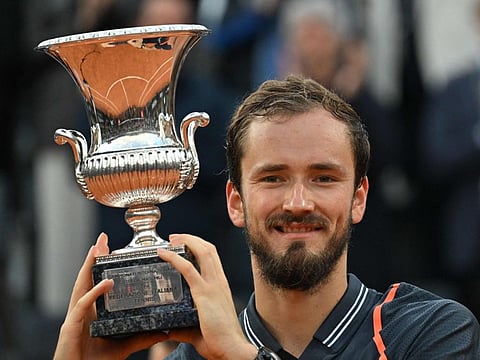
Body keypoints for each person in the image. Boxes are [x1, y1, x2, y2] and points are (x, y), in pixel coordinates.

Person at [53, 76, 480, 359]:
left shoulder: (430, 332)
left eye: (324, 178)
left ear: (359, 198)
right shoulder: (192, 357)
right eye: (273, 178)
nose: (298, 202)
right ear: (235, 202)